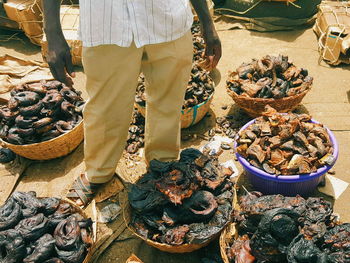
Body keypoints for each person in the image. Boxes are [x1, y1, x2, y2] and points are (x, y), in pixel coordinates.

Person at [42, 0, 222, 207]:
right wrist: (52, 33)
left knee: (169, 102)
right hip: (108, 29)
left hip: (168, 20)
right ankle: (97, 172)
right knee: (105, 108)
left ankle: (162, 163)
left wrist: (208, 24)